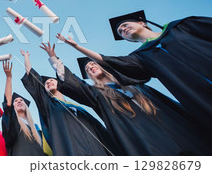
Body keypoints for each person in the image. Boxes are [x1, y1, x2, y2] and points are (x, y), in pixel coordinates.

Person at [41, 42, 211, 155]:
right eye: (87, 68)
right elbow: (74, 84)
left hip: (177, 131)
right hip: (145, 140)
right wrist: (54, 59)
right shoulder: (96, 94)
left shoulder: (136, 85)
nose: (91, 66)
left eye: (93, 63)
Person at [57, 10, 212, 131]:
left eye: (124, 25)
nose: (123, 29)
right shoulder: (141, 57)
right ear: (128, 40)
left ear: (142, 23)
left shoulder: (180, 27)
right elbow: (108, 60)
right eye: (120, 31)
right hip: (199, 95)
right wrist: (77, 47)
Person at [20, 49, 113, 156]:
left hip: (96, 150)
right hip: (70, 151)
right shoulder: (48, 105)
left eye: (51, 80)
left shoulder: (77, 108)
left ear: (60, 85)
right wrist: (26, 57)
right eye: (46, 83)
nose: (49, 82)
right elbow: (32, 77)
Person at [1, 60, 44, 156]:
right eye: (15, 101)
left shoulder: (36, 130)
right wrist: (9, 78)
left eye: (21, 100)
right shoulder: (14, 123)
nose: (19, 101)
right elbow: (8, 105)